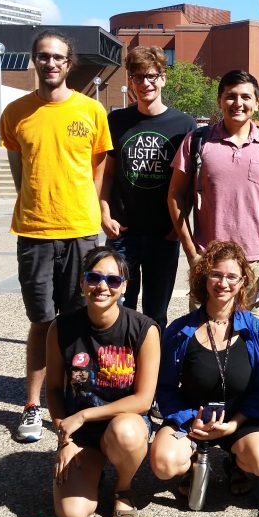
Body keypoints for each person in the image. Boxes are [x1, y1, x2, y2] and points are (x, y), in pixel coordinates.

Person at [1, 30, 112, 443]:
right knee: (41, 321)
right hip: (34, 230)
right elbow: (18, 168)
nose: (50, 63)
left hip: (82, 231)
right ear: (34, 60)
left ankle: (77, 399)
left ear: (70, 64)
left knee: (80, 320)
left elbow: (98, 169)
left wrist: (93, 211)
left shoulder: (91, 111)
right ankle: (33, 405)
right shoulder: (15, 113)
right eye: (43, 56)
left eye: (58, 58)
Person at [151, 241, 259, 498]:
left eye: (232, 276)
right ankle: (193, 459)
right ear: (204, 278)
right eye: (216, 275)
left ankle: (235, 461)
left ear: (243, 282)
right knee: (164, 465)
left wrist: (233, 424)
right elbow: (164, 388)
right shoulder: (179, 330)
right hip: (191, 420)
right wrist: (189, 419)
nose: (223, 283)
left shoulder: (255, 330)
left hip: (238, 421)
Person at [45, 246, 159, 517]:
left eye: (113, 280)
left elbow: (144, 400)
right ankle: (94, 472)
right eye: (94, 278)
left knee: (127, 431)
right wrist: (65, 439)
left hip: (124, 425)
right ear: (82, 282)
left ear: (124, 287)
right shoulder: (61, 328)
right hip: (82, 436)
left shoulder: (143, 329)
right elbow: (55, 390)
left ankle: (123, 489)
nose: (102, 287)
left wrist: (83, 416)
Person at [167, 70, 259, 316]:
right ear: (219, 101)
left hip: (256, 261)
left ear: (256, 104)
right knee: (203, 333)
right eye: (231, 96)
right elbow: (174, 196)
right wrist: (192, 253)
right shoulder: (197, 141)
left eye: (246, 97)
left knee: (248, 336)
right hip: (209, 259)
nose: (238, 103)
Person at [101, 46, 196, 329]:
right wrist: (104, 213)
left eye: (152, 76)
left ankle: (154, 372)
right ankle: (119, 370)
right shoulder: (117, 121)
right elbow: (106, 174)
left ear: (163, 79)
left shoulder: (184, 124)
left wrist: (177, 227)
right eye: (138, 77)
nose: (145, 84)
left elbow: (188, 183)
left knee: (156, 314)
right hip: (123, 233)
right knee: (116, 309)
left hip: (163, 235)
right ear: (130, 82)